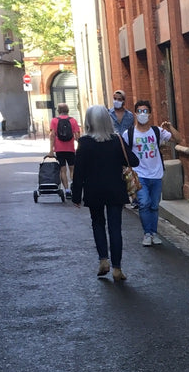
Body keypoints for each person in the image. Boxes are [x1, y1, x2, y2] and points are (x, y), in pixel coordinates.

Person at [71, 105, 138, 283]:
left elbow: (78, 172)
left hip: (94, 191)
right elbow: (133, 161)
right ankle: (117, 268)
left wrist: (76, 196)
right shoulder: (116, 140)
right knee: (115, 228)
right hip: (115, 189)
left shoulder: (84, 143)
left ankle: (103, 260)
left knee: (98, 224)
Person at [127, 100, 180, 246]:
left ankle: (154, 233)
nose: (142, 114)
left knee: (154, 206)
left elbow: (178, 139)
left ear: (150, 114)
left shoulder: (157, 131)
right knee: (144, 203)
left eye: (145, 111)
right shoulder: (129, 133)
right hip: (139, 175)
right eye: (140, 111)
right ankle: (147, 233)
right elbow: (123, 153)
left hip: (156, 174)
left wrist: (169, 127)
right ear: (135, 114)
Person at [49, 103, 81, 197]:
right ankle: (74, 186)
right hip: (70, 149)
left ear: (58, 111)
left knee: (62, 170)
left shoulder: (54, 121)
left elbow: (52, 136)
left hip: (59, 149)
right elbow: (77, 136)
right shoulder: (73, 121)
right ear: (68, 110)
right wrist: (79, 147)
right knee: (72, 169)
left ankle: (67, 190)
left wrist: (51, 150)